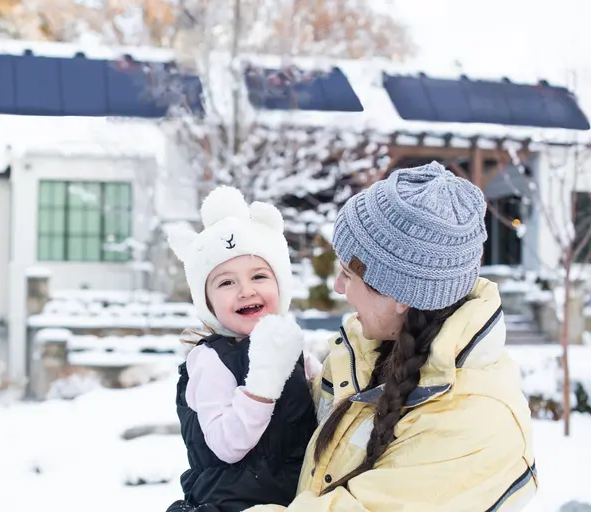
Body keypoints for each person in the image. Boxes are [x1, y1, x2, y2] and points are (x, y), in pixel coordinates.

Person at [246, 161, 537, 512]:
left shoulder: (477, 422)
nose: (338, 288)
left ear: (400, 295)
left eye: (347, 275)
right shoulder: (362, 354)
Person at [164, 185, 319, 512]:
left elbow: (327, 405)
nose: (246, 291)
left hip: (294, 497)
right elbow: (226, 445)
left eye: (259, 276)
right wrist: (262, 387)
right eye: (226, 282)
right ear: (207, 302)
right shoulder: (210, 360)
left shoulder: (293, 350)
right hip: (229, 503)